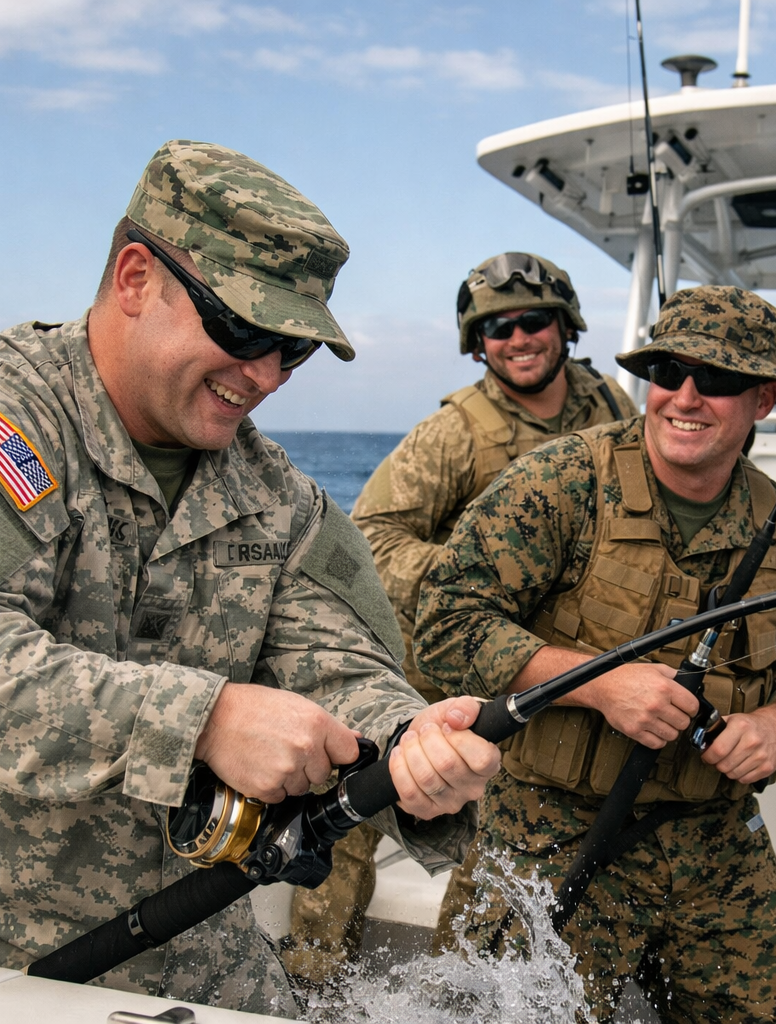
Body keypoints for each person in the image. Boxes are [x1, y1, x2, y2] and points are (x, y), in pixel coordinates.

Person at [0, 139, 500, 1017]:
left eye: (292, 349)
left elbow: (341, 667)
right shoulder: (19, 419)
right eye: (243, 330)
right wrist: (203, 718)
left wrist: (412, 747)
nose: (266, 376)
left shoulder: (281, 501)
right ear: (135, 278)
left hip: (200, 960)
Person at [414, 285, 776, 1024]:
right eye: (668, 371)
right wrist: (600, 686)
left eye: (716, 379)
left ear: (764, 399)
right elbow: (445, 621)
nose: (685, 396)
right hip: (550, 830)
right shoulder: (560, 484)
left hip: (713, 841)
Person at [281, 252, 637, 979]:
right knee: (353, 819)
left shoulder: (611, 410)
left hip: (546, 675)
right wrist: (478, 588)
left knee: (503, 842)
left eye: (534, 320)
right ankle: (313, 980)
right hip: (443, 670)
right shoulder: (454, 434)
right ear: (479, 344)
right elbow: (372, 538)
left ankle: (469, 987)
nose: (519, 337)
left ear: (566, 327)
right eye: (497, 327)